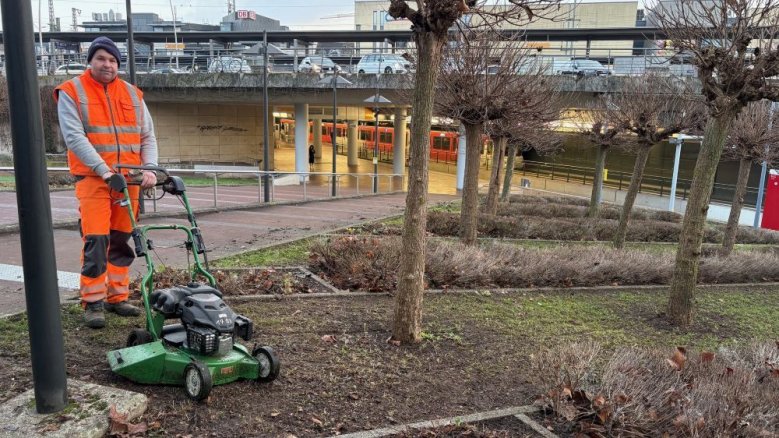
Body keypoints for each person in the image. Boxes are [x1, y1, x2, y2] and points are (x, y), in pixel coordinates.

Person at [55, 37, 158, 329]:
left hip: (128, 181)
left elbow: (147, 136)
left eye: (113, 60)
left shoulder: (132, 94)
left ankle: (118, 297)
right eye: (101, 58)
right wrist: (103, 171)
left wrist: (149, 169)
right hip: (94, 180)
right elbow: (75, 137)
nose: (107, 64)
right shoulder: (72, 91)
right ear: (91, 60)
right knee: (96, 240)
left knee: (122, 239)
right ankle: (93, 301)